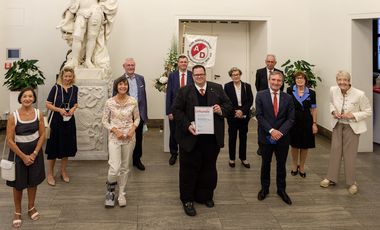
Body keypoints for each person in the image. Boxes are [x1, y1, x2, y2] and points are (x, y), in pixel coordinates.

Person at [172, 64, 233, 216]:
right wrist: (187, 126)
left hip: (211, 139)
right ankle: (187, 199)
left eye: (201, 74)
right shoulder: (184, 91)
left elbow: (228, 105)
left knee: (209, 168)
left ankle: (205, 196)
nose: (199, 77)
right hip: (191, 138)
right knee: (188, 170)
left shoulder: (217, 88)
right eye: (196, 75)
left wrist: (221, 110)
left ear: (206, 75)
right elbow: (176, 110)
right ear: (192, 77)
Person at [320, 70, 372, 195]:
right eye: (339, 80)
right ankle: (331, 178)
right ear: (337, 80)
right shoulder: (333, 90)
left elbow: (368, 111)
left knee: (350, 155)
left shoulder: (359, 94)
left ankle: (352, 182)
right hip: (337, 125)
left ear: (349, 81)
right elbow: (331, 103)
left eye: (345, 80)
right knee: (335, 152)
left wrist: (352, 114)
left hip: (352, 127)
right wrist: (333, 112)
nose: (342, 82)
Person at [5, 87, 45, 228]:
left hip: (35, 152)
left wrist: (34, 154)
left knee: (33, 182)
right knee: (18, 184)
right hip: (18, 154)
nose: (27, 98)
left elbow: (42, 135)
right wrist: (23, 156)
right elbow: (9, 140)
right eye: (24, 96)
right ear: (20, 99)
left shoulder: (39, 114)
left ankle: (31, 207)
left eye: (30, 96)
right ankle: (17, 211)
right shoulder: (13, 116)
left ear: (33, 98)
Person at [256, 71, 295, 205]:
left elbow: (291, 119)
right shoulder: (260, 95)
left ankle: (281, 190)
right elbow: (259, 116)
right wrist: (272, 131)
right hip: (266, 136)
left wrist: (280, 132)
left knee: (281, 165)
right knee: (265, 164)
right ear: (269, 80)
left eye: (279, 80)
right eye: (273, 80)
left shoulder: (288, 98)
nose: (276, 82)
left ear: (282, 82)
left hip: (282, 138)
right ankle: (264, 189)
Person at [102, 76, 140, 207]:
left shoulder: (133, 101)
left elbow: (137, 119)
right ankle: (110, 191)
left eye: (125, 84)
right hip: (115, 138)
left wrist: (133, 129)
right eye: (120, 85)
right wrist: (114, 130)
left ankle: (122, 193)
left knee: (125, 167)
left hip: (129, 138)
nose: (123, 87)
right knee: (114, 168)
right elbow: (104, 121)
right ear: (116, 87)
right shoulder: (109, 102)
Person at [58, 0, 118, 69]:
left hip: (95, 11)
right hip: (81, 12)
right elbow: (72, 7)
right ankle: (75, 61)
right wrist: (66, 20)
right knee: (77, 36)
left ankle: (88, 60)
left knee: (92, 36)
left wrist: (98, 8)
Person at [45, 66, 78, 186]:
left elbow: (75, 103)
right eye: (66, 76)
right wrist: (59, 110)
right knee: (53, 148)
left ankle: (63, 172)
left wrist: (73, 109)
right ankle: (50, 174)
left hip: (69, 120)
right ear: (62, 76)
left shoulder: (75, 88)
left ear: (72, 77)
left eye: (70, 76)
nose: (67, 78)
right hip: (56, 121)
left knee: (66, 147)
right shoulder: (55, 88)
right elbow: (48, 104)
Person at [286, 71, 318, 178]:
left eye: (302, 78)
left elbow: (313, 109)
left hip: (307, 121)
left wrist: (314, 124)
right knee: (294, 145)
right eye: (297, 78)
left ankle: (302, 166)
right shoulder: (289, 90)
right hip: (293, 120)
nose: (299, 80)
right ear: (295, 80)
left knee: (305, 145)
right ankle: (295, 165)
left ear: (305, 80)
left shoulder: (312, 93)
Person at [166, 55, 193, 165]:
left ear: (187, 63)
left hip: (189, 110)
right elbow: (169, 95)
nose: (183, 64)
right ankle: (173, 153)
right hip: (175, 109)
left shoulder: (192, 75)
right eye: (181, 62)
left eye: (185, 62)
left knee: (188, 131)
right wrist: (169, 111)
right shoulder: (172, 76)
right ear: (178, 63)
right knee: (173, 132)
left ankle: (187, 152)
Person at [121, 58, 148, 171]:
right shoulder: (119, 80)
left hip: (138, 114)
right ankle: (124, 161)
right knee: (125, 138)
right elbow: (114, 97)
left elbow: (144, 97)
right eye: (128, 65)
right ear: (124, 66)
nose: (131, 67)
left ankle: (137, 160)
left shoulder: (140, 78)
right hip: (125, 115)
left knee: (138, 138)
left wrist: (144, 115)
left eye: (132, 65)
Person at [224, 67, 253, 168]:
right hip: (232, 115)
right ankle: (232, 158)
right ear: (231, 76)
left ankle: (243, 158)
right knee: (232, 137)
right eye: (233, 75)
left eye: (237, 74)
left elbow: (250, 100)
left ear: (240, 75)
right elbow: (226, 101)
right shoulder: (227, 86)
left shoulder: (247, 86)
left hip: (244, 115)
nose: (235, 76)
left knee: (243, 137)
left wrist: (242, 111)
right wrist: (235, 111)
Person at [255, 54, 284, 156]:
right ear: (265, 62)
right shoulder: (260, 72)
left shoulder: (280, 72)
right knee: (262, 125)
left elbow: (282, 87)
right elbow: (257, 86)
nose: (270, 63)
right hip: (264, 101)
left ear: (275, 63)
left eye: (272, 62)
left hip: (276, 100)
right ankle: (261, 146)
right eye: (268, 61)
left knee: (275, 123)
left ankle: (274, 143)